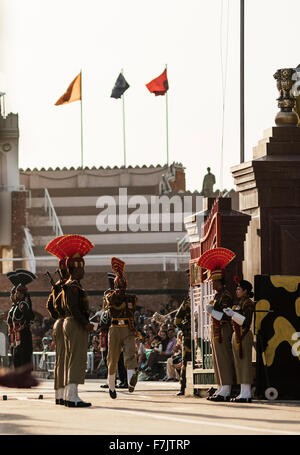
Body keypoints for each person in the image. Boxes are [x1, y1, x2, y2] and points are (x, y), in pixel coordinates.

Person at [59, 234, 95, 408]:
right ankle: (73, 396)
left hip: (69, 322)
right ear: (75, 269)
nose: (84, 271)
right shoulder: (73, 286)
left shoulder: (70, 285)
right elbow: (75, 308)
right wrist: (85, 323)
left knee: (71, 358)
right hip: (75, 322)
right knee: (77, 358)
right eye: (81, 268)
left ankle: (68, 394)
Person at [197, 247, 236, 402]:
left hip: (224, 329)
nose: (212, 284)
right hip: (216, 329)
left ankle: (226, 388)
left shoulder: (225, 295)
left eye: (214, 281)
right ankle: (221, 386)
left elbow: (226, 315)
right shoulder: (218, 295)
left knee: (224, 358)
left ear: (220, 282)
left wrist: (212, 311)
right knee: (217, 359)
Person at [104, 257, 138, 399]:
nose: (120, 290)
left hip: (128, 328)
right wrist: (116, 292)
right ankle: (111, 385)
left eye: (123, 287)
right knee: (112, 358)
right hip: (115, 328)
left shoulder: (130, 298)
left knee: (130, 353)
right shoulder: (110, 297)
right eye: (118, 287)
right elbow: (112, 303)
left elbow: (131, 309)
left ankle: (131, 381)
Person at [45, 234, 70, 405]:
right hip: (68, 322)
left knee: (60, 360)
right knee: (68, 359)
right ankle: (68, 394)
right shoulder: (67, 286)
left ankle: (59, 394)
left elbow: (49, 306)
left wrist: (56, 317)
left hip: (58, 322)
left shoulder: (56, 287)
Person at [223, 278, 255, 403]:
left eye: (239, 289)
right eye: (236, 289)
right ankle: (243, 392)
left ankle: (246, 393)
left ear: (245, 291)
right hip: (237, 335)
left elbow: (246, 321)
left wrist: (233, 314)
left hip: (244, 335)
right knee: (239, 364)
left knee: (244, 363)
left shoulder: (248, 303)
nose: (236, 291)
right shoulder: (239, 303)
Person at [6, 270, 36, 369]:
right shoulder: (17, 306)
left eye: (16, 292)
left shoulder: (23, 305)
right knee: (17, 359)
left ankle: (24, 379)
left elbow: (30, 317)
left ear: (21, 293)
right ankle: (20, 379)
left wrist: (24, 325)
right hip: (16, 335)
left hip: (23, 334)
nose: (13, 295)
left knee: (23, 358)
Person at [174, 269, 192, 396]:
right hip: (201, 335)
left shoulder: (188, 302)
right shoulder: (196, 299)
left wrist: (185, 328)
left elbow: (177, 320)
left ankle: (183, 387)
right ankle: (183, 385)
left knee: (186, 361)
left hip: (190, 335)